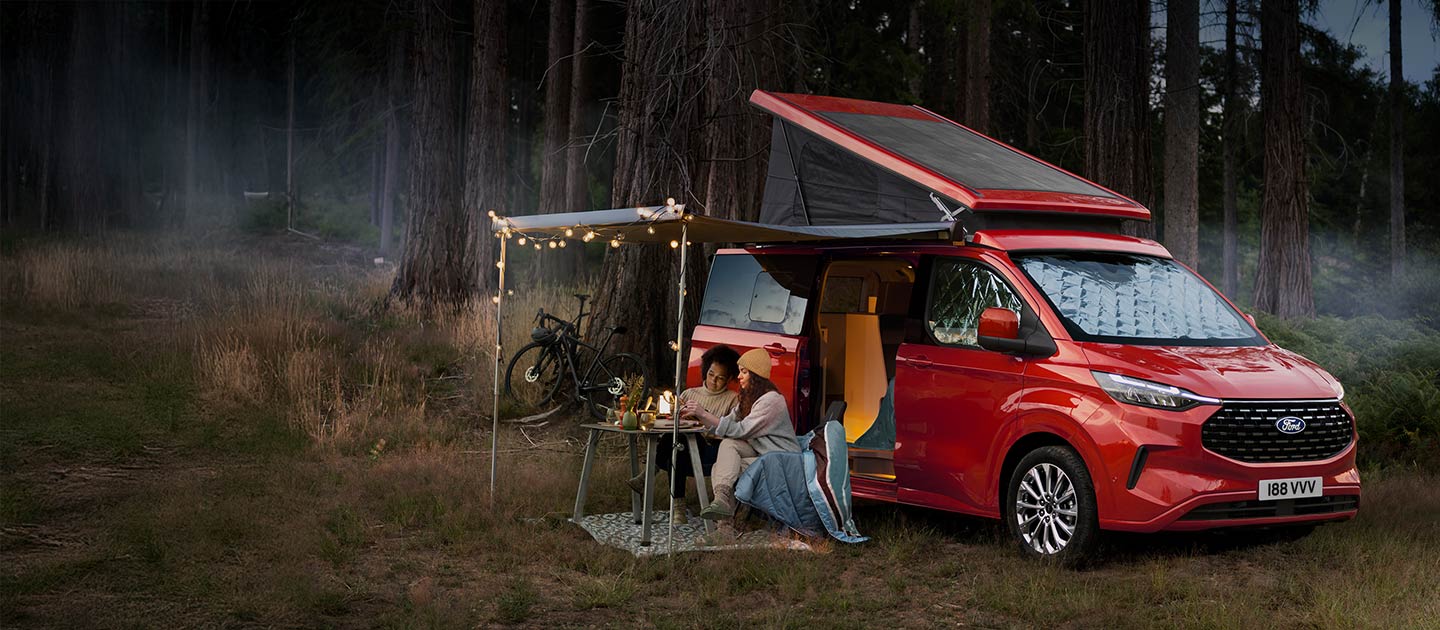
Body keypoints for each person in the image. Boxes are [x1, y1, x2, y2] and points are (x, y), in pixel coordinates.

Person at [681, 347, 800, 525]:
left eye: (744, 372)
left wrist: (704, 414)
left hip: (782, 460)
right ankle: (722, 504)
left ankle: (724, 527)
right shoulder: (749, 397)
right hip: (763, 455)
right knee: (727, 450)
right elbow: (727, 422)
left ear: (756, 375)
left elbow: (740, 430)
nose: (739, 377)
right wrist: (697, 416)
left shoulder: (772, 401)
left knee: (722, 468)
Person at [627, 345, 740, 524]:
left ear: (729, 379)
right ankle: (678, 508)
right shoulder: (689, 393)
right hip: (682, 449)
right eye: (711, 374)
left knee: (679, 442)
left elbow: (731, 430)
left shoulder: (733, 399)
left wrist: (703, 416)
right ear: (705, 370)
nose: (713, 381)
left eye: (720, 378)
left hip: (710, 450)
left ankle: (649, 475)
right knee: (677, 442)